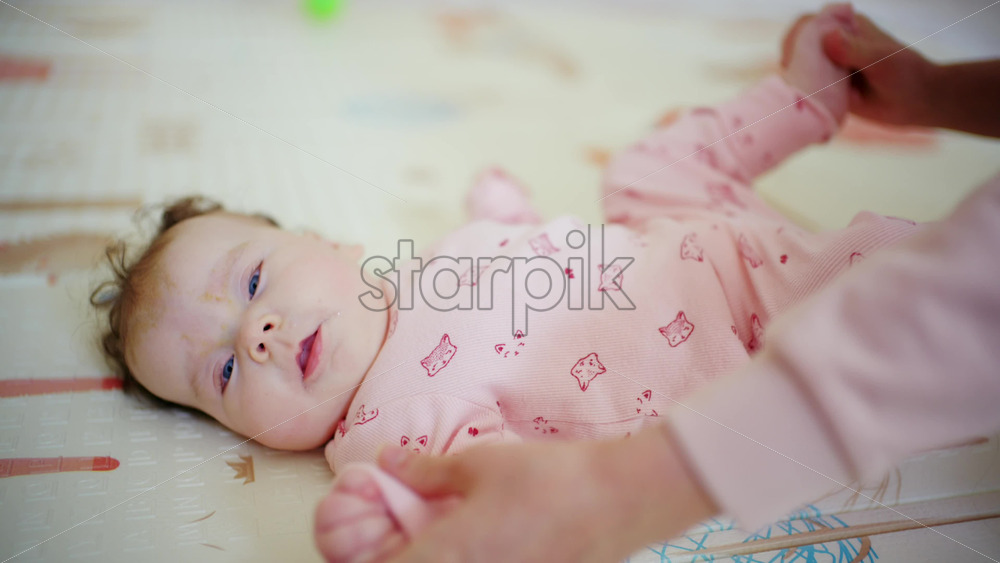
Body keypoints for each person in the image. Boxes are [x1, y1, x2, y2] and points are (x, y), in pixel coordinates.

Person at [340, 6, 1000, 563]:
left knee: (643, 167)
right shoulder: (383, 421)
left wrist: (501, 211)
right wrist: (391, 510)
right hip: (748, 330)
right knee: (876, 284)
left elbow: (507, 249)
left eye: (257, 277)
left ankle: (800, 105)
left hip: (668, 235)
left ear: (327, 250)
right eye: (229, 374)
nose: (258, 335)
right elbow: (466, 483)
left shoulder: (407, 271)